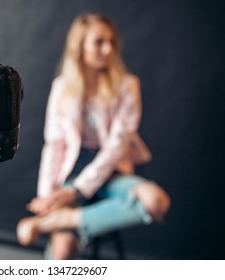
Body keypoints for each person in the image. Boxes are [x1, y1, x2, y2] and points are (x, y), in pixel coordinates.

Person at [16, 13, 171, 259]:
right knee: (63, 248)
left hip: (111, 170)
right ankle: (57, 221)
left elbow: (116, 147)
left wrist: (76, 193)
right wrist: (47, 197)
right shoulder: (62, 87)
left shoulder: (128, 85)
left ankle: (63, 220)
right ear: (80, 47)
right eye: (99, 41)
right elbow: (54, 146)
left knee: (155, 201)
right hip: (72, 169)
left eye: (111, 42)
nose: (108, 48)